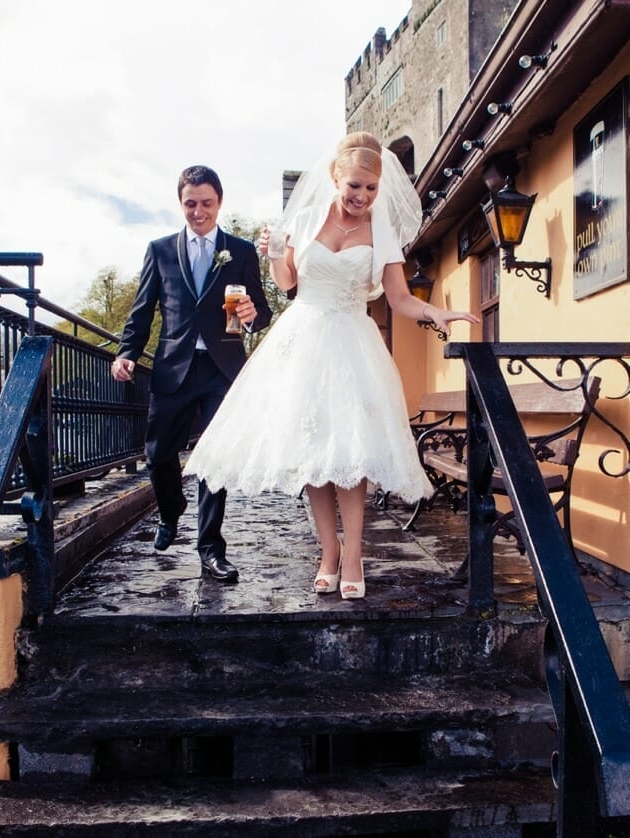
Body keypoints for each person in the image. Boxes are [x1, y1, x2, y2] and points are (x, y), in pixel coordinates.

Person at [183, 132, 478, 599]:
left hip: (352, 343)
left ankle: (354, 551)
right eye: (354, 186)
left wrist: (434, 313)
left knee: (351, 454)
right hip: (303, 340)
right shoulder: (304, 219)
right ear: (335, 178)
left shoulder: (380, 230)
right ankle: (328, 551)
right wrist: (275, 253)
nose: (362, 196)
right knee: (314, 454)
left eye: (371, 188)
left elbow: (399, 298)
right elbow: (288, 283)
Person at [111, 165, 273, 583]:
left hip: (222, 368)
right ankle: (171, 510)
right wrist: (127, 353)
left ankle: (211, 549)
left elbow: (261, 311)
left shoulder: (241, 251)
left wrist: (253, 316)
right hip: (174, 367)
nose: (198, 212)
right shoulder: (160, 250)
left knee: (215, 459)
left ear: (220, 202)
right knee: (157, 455)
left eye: (206, 203)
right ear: (180, 203)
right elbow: (142, 310)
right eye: (190, 204)